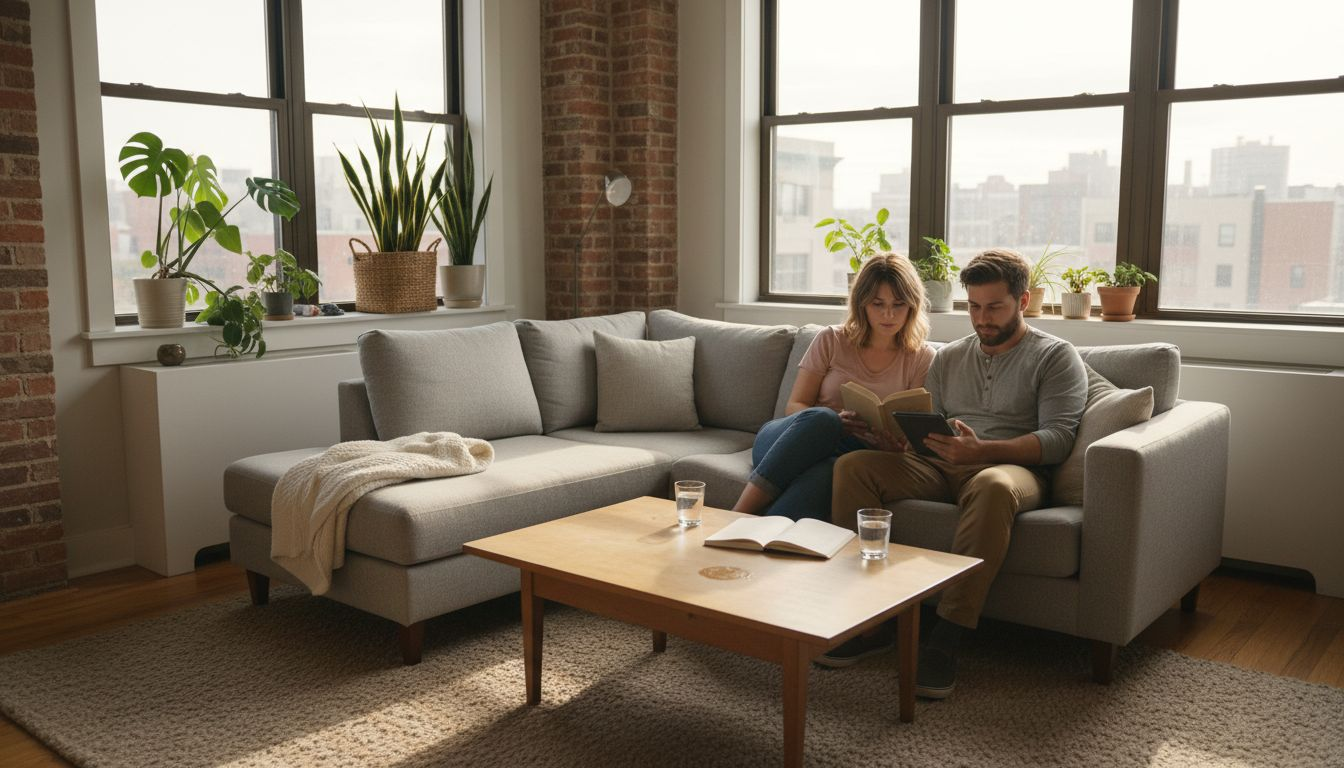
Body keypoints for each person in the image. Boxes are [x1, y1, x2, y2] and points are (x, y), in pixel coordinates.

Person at [825, 249, 1087, 698]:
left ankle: (946, 636)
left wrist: (982, 450)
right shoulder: (948, 358)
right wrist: (900, 439)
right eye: (974, 307)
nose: (982, 319)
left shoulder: (1055, 357)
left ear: (1023, 302)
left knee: (992, 484)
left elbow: (1059, 438)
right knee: (854, 467)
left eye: (994, 307)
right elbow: (933, 419)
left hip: (1011, 468)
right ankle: (868, 618)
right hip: (940, 464)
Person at [730, 253, 936, 522]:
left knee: (833, 471)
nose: (889, 314)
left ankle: (759, 538)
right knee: (824, 419)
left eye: (899, 304)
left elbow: (911, 431)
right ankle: (735, 516)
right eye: (878, 304)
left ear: (912, 306)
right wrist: (838, 421)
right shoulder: (831, 339)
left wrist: (894, 445)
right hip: (788, 440)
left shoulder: (921, 357)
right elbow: (795, 406)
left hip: (851, 454)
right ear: (862, 304)